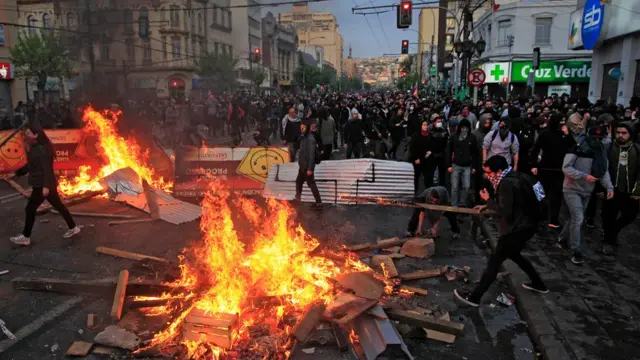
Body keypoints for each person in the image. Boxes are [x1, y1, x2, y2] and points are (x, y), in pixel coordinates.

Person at [454, 156, 548, 307]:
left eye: (489, 173)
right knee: (515, 255)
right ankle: (538, 284)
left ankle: (474, 297)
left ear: (499, 171)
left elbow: (505, 211)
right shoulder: (520, 176)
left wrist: (487, 200)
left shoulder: (506, 184)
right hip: (528, 226)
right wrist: (488, 206)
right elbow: (518, 201)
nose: (487, 176)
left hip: (515, 230)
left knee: (494, 263)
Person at [8, 124, 81, 246]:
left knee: (30, 209)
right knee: (59, 206)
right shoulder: (34, 148)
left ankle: (26, 237)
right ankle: (74, 228)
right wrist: (16, 173)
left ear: (36, 135)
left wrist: (46, 186)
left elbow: (47, 169)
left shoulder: (41, 149)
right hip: (44, 184)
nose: (25, 135)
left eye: (28, 133)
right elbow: (30, 166)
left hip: (42, 184)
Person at [558, 121, 614, 264]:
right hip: (571, 189)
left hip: (587, 190)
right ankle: (575, 250)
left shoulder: (601, 152)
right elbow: (566, 168)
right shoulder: (576, 148)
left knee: (575, 217)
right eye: (594, 139)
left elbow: (603, 171)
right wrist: (584, 176)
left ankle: (562, 239)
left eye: (599, 139)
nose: (597, 141)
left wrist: (609, 187)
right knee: (578, 218)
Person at [529, 114, 576, 228]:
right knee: (540, 192)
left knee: (557, 195)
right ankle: (537, 214)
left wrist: (568, 135)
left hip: (559, 169)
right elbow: (535, 149)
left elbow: (573, 147)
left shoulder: (564, 134)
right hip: (545, 167)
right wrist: (533, 165)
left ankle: (553, 218)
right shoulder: (545, 133)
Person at [601, 122, 640, 254]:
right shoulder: (609, 147)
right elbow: (602, 168)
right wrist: (602, 188)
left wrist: (637, 190)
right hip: (612, 189)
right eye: (618, 133)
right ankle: (608, 240)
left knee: (630, 215)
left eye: (624, 133)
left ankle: (613, 232)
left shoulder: (636, 149)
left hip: (629, 190)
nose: (620, 135)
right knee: (608, 216)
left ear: (630, 134)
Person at [447, 119, 478, 207]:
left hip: (467, 166)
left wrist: (474, 166)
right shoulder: (454, 137)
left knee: (466, 186)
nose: (464, 129)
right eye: (463, 127)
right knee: (454, 187)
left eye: (466, 127)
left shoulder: (472, 137)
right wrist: (448, 165)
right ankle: (454, 205)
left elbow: (475, 153)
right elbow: (448, 151)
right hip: (455, 165)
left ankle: (462, 203)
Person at [295, 123, 322, 207]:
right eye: (301, 127)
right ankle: (297, 198)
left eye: (303, 127)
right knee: (299, 182)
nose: (301, 128)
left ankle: (319, 203)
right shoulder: (303, 137)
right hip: (302, 166)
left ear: (307, 128)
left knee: (311, 184)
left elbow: (311, 155)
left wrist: (310, 168)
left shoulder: (310, 139)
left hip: (307, 167)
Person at [408, 120, 431, 195]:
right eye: (424, 125)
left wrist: (430, 151)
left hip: (427, 159)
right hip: (418, 159)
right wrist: (415, 158)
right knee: (416, 176)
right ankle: (415, 192)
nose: (425, 126)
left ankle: (427, 193)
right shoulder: (416, 135)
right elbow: (412, 147)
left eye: (426, 125)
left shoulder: (429, 135)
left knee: (427, 177)